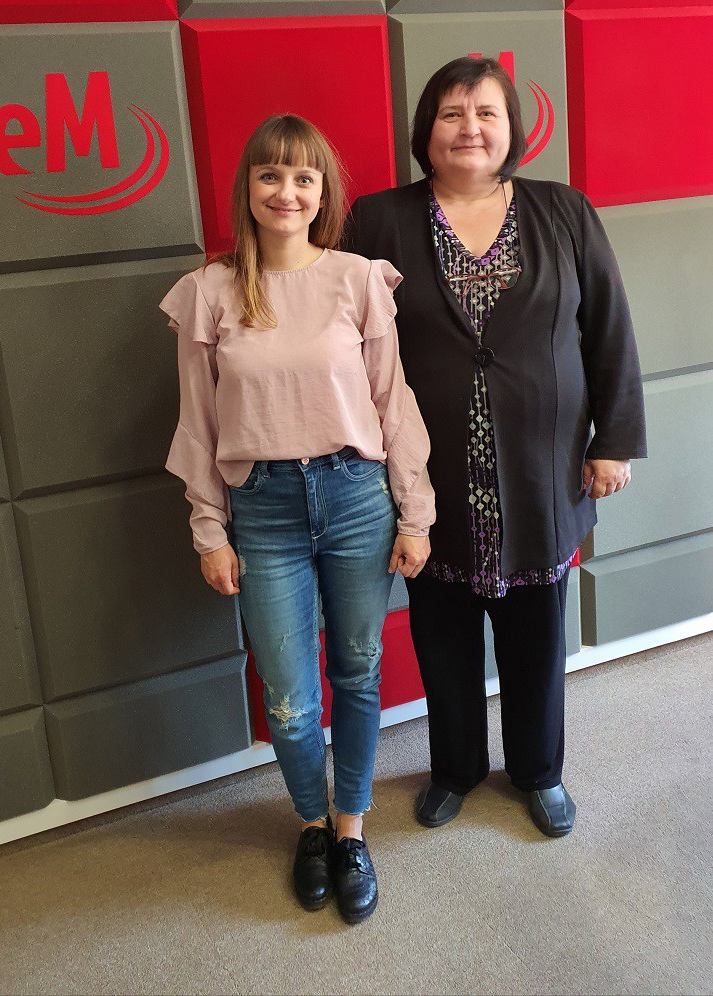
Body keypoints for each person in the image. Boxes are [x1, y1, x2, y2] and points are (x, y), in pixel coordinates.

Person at [343, 57, 647, 837]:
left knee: (536, 638)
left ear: (512, 127)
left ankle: (539, 771)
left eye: (486, 112)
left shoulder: (562, 210)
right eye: (451, 113)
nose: (469, 128)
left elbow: (607, 327)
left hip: (541, 473)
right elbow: (341, 341)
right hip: (429, 476)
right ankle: (455, 768)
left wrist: (613, 440)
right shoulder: (378, 220)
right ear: (426, 129)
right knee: (440, 633)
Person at [159, 114, 435, 921]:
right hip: (263, 509)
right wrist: (209, 530)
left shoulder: (358, 279)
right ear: (248, 188)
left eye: (304, 178)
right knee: (287, 693)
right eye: (270, 175)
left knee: (357, 672)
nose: (287, 191)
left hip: (356, 499)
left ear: (323, 194)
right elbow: (196, 423)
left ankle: (351, 829)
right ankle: (310, 824)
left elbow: (392, 402)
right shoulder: (209, 291)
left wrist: (414, 514)